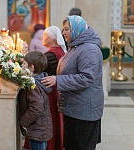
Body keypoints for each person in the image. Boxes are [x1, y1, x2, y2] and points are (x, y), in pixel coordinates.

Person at [41, 15, 104, 150]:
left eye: (66, 29)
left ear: (77, 30)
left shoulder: (89, 49)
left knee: (80, 146)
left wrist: (57, 80)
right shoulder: (76, 46)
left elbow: (86, 78)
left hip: (84, 112)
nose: (63, 33)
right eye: (63, 30)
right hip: (75, 108)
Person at [24, 26, 67, 150]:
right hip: (53, 89)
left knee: (47, 120)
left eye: (44, 36)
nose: (42, 38)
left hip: (49, 92)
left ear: (51, 38)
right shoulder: (58, 51)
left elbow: (38, 68)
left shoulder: (51, 55)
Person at [17, 51, 53, 150]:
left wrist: (23, 122)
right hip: (41, 127)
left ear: (31, 68)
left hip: (37, 129)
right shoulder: (40, 80)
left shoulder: (34, 85)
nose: (22, 65)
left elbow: (37, 108)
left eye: (24, 63)